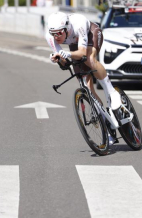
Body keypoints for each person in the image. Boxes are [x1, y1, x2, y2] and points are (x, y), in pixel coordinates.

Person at [46, 12, 121, 144]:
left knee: (90, 59)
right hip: (75, 45)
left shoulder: (78, 23)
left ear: (66, 28)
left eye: (59, 33)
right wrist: (58, 59)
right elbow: (65, 64)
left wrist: (68, 54)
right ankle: (107, 125)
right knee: (86, 88)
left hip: (90, 34)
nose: (56, 36)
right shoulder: (51, 37)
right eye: (53, 33)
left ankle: (111, 92)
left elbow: (82, 53)